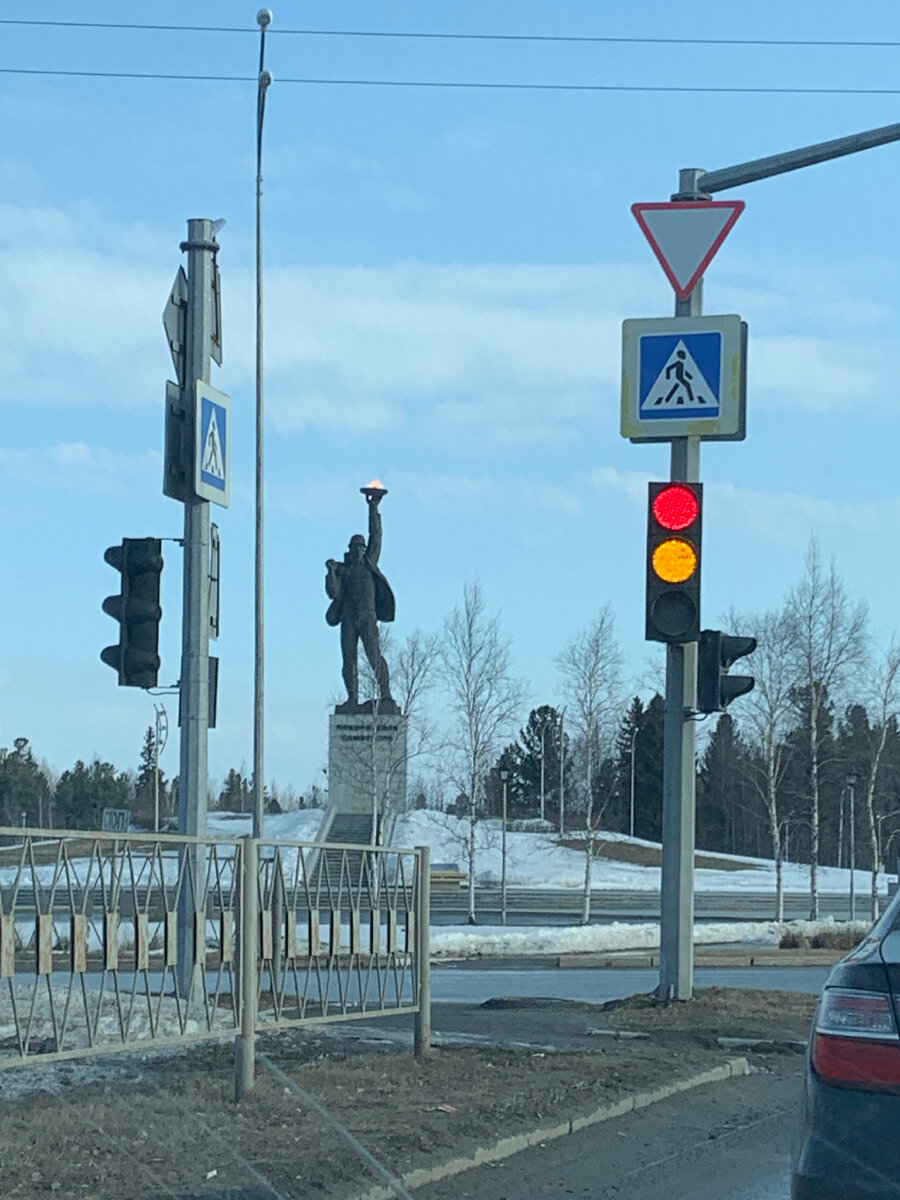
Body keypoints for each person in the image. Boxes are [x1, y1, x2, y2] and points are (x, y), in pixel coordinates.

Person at [325, 491, 395, 708]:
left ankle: (385, 695)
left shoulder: (369, 563)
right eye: (354, 548)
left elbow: (376, 535)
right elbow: (333, 594)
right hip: (348, 619)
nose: (358, 550)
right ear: (349, 551)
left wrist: (373, 507)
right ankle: (352, 698)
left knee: (374, 656)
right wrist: (331, 573)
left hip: (368, 618)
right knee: (349, 660)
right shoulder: (343, 571)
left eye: (360, 547)